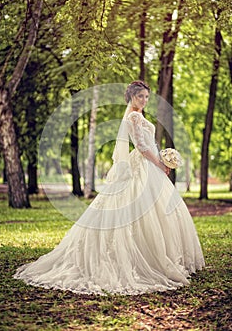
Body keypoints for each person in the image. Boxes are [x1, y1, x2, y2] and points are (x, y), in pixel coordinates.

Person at [14, 81, 205, 295]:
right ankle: (149, 259)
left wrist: (162, 158)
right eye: (140, 96)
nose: (144, 100)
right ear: (131, 97)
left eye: (146, 97)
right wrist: (160, 163)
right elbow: (142, 148)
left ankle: (166, 256)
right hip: (145, 165)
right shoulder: (133, 117)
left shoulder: (138, 115)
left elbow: (149, 144)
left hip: (151, 166)